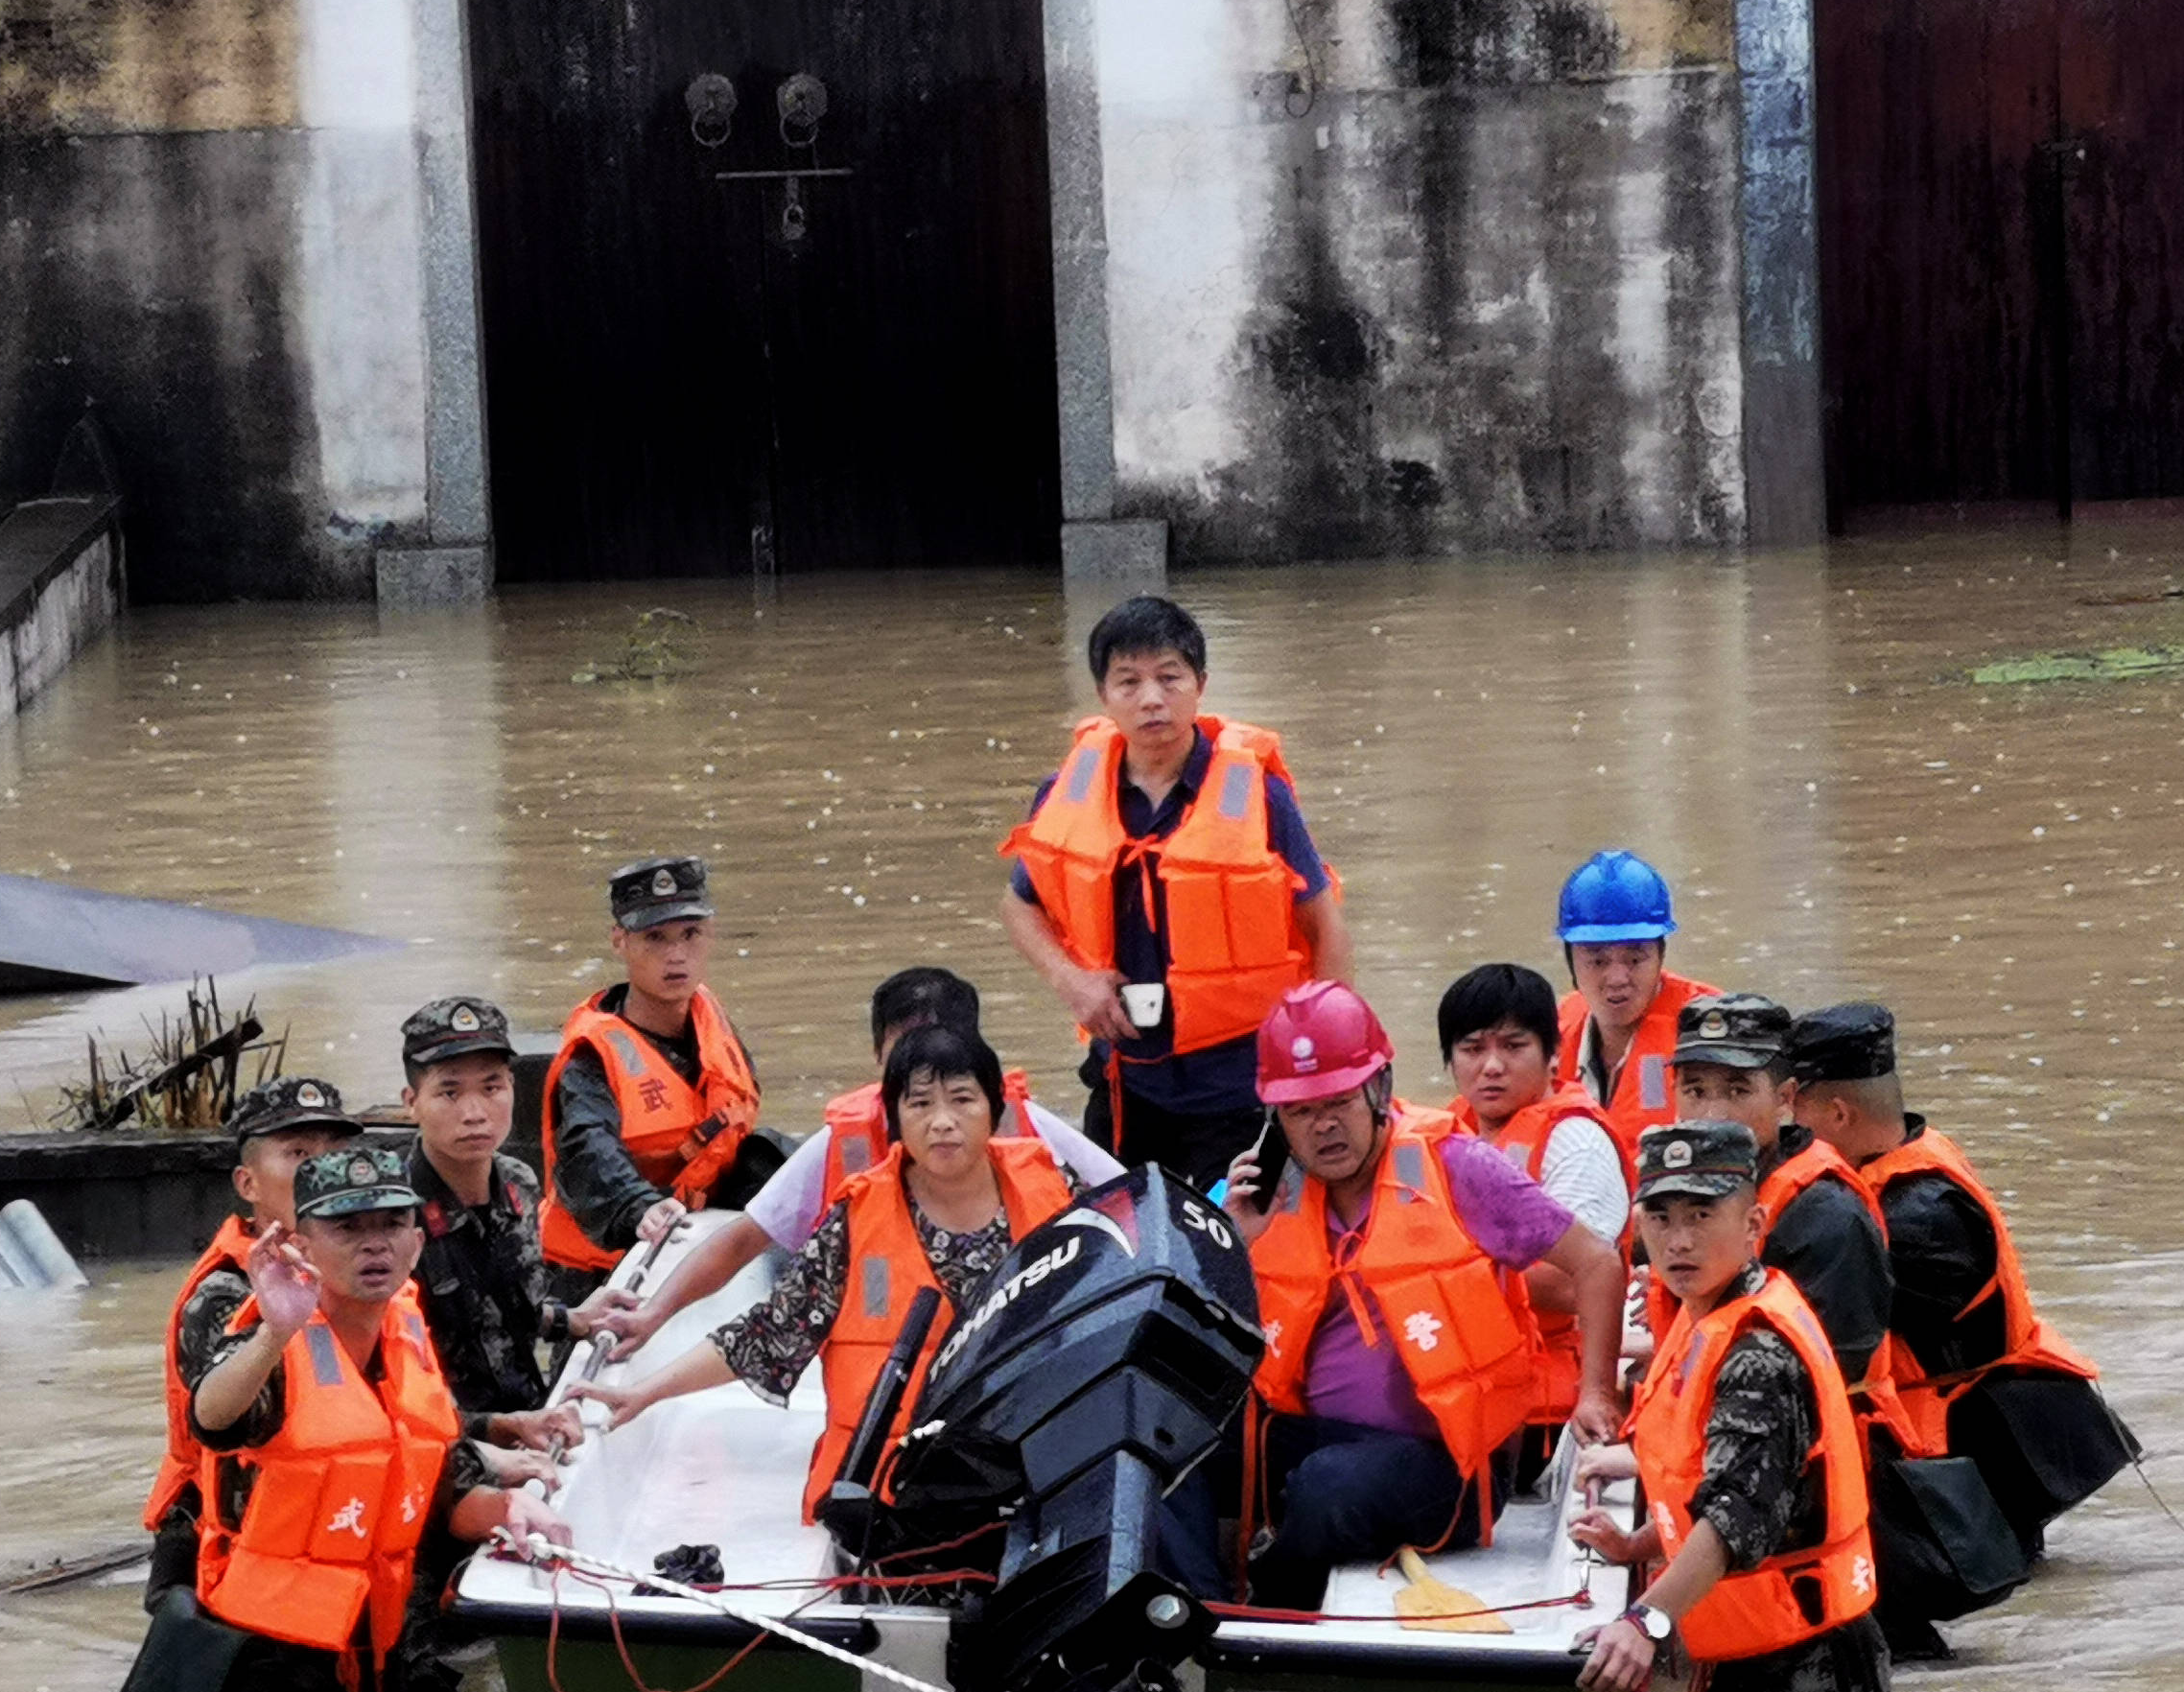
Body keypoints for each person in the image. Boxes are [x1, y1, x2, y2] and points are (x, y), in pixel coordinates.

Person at [129, 1138, 570, 1692]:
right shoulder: (269, 1337)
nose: (376, 1246)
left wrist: (512, 1508)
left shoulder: (407, 1333)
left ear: (418, 1237)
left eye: (392, 1225)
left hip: (383, 1653)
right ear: (302, 1241)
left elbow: (437, 1492)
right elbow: (215, 1418)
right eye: (347, 1228)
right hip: (276, 1673)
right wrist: (274, 1332)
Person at [1223, 984, 1627, 1612]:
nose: (1324, 1126)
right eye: (1301, 1112)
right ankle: (1173, 1614)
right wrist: (1236, 1244)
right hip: (1320, 1437)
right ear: (1275, 1121)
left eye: (1338, 1102)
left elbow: (1599, 1262)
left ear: (1378, 1090)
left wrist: (1598, 1393)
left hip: (1451, 1466)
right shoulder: (1268, 1195)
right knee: (1181, 1443)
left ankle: (1269, 1608)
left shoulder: (1458, 1167)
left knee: (1325, 1489)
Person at [583, 1024, 1081, 1519]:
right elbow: (769, 1333)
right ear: (895, 1120)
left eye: (962, 1100)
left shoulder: (1057, 1193)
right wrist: (643, 1393)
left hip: (1028, 1472)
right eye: (920, 1104)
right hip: (886, 1493)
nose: (942, 1121)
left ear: (995, 1110)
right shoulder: (857, 1216)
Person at [1571, 1119, 1896, 1692]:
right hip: (1745, 1649)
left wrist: (1644, 1620)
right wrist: (1637, 1546)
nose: (1679, 1240)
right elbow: (1704, 1475)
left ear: (1753, 1225)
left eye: (1701, 1215)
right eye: (1660, 1218)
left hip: (1812, 1665)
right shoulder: (1701, 1316)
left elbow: (1737, 1516)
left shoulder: (1757, 1354)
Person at [587, 966, 1123, 1359]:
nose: (927, 1079)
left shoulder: (1024, 1125)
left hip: (1009, 1357)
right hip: (887, 1370)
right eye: (907, 1062)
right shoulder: (840, 1146)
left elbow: (1129, 1204)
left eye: (950, 1073)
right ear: (878, 1063)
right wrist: (654, 1317)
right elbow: (743, 1242)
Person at [998, 595, 1350, 1188]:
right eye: (1128, 682)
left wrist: (1326, 1059)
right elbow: (1017, 904)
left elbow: (1326, 927)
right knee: (1122, 1252)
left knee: (1238, 1256)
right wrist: (1072, 981)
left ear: (1199, 684)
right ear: (1104, 696)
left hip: (1238, 1087)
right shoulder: (1068, 793)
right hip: (1123, 1083)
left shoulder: (1259, 797)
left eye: (1169, 677)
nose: (1151, 699)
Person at [1784, 1001, 2139, 1559]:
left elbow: (1813, 1315)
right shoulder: (1896, 1161)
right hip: (1983, 1434)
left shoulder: (1919, 1217)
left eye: (1792, 1109)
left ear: (1838, 1115)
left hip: (1985, 1443)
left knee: (1991, 1595)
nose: (1787, 1131)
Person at [143, 1075, 358, 1600]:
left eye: (333, 1154)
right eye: (299, 1154)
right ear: (248, 1184)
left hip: (329, 1527)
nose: (320, 1173)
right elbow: (241, 1432)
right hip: (235, 1556)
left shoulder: (360, 1268)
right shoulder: (223, 1297)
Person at [1661, 992, 1898, 1423]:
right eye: (1695, 1091)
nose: (1713, 1114)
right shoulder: (1682, 1199)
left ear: (1785, 1098)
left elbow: (1813, 1385)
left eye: (1738, 1090)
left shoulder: (1827, 1220)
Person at [539, 854, 771, 1284]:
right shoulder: (592, 1055)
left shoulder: (710, 1020)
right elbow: (588, 1152)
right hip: (604, 1268)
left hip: (696, 1245)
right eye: (655, 938)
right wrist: (639, 1206)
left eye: (690, 934)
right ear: (619, 941)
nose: (676, 955)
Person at [1434, 961, 1632, 1446]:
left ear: (1553, 1054)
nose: (1492, 1066)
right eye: (1472, 1049)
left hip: (1541, 1398)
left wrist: (1438, 1276)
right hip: (1455, 1371)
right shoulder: (1437, 1132)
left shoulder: (1575, 1140)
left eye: (1514, 1046)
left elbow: (1570, 1286)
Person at [397, 995, 591, 1456]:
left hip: (534, 1427)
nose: (475, 1112)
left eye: (491, 1087)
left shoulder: (519, 1185)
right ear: (411, 1102)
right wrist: (499, 1432)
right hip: (445, 1456)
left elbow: (504, 1314)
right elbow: (382, 1379)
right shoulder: (390, 1219)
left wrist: (575, 1320)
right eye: (449, 1092)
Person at [1550, 849, 1715, 1143]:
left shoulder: (1709, 1027)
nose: (1617, 980)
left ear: (1660, 956)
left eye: (1635, 960)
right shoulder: (1549, 1031)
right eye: (1597, 961)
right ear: (1571, 961)